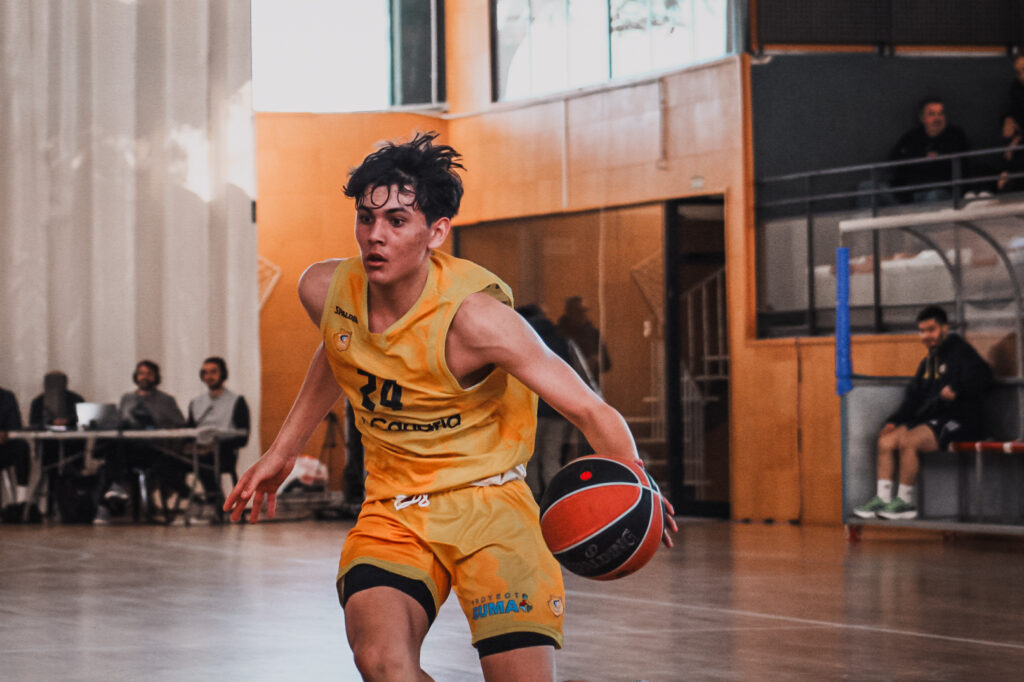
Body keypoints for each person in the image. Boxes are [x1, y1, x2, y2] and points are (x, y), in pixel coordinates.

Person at [224, 132, 676, 681]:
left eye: (396, 220)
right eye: (366, 219)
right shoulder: (325, 289)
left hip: (491, 509)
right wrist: (283, 450)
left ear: (436, 232)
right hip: (394, 511)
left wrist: (636, 485)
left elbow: (591, 410)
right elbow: (340, 352)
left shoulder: (478, 321)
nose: (375, 236)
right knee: (383, 665)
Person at [853, 306, 992, 521]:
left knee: (910, 441)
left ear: (944, 328)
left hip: (963, 421)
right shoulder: (928, 362)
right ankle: (883, 498)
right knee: (886, 441)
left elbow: (984, 375)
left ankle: (905, 503)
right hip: (934, 420)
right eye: (922, 331)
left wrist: (957, 389)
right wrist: (894, 420)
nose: (926, 336)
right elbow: (913, 398)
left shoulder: (961, 352)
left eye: (931, 330)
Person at [96, 360, 186, 522]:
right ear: (136, 376)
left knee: (111, 455)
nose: (144, 377)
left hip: (153, 449)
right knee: (113, 449)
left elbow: (180, 426)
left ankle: (111, 497)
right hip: (127, 449)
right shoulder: (127, 399)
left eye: (149, 374)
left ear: (156, 377)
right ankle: (112, 495)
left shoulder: (166, 401)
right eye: (141, 373)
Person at [516, 304, 575, 501]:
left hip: (531, 410)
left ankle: (534, 499)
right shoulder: (559, 339)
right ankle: (558, 499)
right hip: (558, 407)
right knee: (552, 456)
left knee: (530, 459)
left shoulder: (521, 337)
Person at [182, 356, 250, 515]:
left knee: (204, 462)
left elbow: (243, 437)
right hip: (196, 452)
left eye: (213, 372)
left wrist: (213, 447)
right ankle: (199, 502)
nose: (209, 376)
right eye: (205, 373)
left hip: (223, 452)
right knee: (165, 463)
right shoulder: (196, 403)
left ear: (223, 374)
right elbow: (190, 431)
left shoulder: (236, 401)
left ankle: (216, 504)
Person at [888, 97, 970, 203]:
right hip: (911, 192)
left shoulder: (955, 135)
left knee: (933, 196)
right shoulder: (911, 137)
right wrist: (922, 157)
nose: (937, 118)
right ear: (922, 118)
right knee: (867, 186)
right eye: (932, 114)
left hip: (943, 191)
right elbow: (896, 161)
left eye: (940, 113)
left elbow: (960, 163)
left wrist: (938, 157)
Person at [29, 371, 86, 474]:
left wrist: (68, 421)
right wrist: (50, 423)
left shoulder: (76, 399)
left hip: (72, 442)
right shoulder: (38, 402)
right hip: (48, 442)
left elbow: (84, 421)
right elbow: (34, 423)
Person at [556, 295, 611, 389]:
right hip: (566, 387)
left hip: (589, 387)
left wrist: (595, 362)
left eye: (584, 311)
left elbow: (606, 363)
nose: (582, 315)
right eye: (578, 311)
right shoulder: (559, 335)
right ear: (569, 312)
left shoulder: (593, 334)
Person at [0, 386, 30, 510]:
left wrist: (5, 432)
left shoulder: (6, 397)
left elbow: (15, 425)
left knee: (21, 447)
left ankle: (21, 501)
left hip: (3, 446)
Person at [996, 113, 1024, 194]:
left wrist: (1008, 177)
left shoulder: (1021, 145)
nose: (1004, 128)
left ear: (1016, 126)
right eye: (1004, 124)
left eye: (1008, 124)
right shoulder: (1006, 146)